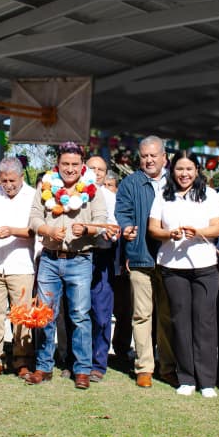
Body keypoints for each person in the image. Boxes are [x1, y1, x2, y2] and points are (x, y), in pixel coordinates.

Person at [25, 142, 109, 389]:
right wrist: (48, 229)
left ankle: (82, 369)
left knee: (80, 316)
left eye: (74, 164)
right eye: (65, 164)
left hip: (80, 260)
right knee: (45, 316)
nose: (70, 169)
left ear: (82, 165)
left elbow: (102, 222)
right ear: (57, 164)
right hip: (50, 259)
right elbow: (33, 218)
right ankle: (43, 367)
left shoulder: (93, 189)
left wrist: (87, 229)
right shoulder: (46, 184)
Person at [149, 151, 219, 398]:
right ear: (172, 170)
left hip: (204, 267)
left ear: (197, 170)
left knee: (204, 323)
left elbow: (217, 227)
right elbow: (153, 228)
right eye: (180, 169)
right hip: (173, 268)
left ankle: (207, 381)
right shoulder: (163, 196)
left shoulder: (210, 195)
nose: (184, 174)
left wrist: (198, 231)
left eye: (189, 169)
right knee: (180, 323)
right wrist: (169, 234)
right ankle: (186, 378)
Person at [116, 136, 176, 388]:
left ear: (165, 157)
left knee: (167, 315)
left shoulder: (177, 181)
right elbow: (123, 213)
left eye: (154, 155)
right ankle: (144, 367)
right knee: (141, 315)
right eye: (144, 156)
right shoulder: (130, 183)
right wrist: (127, 228)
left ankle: (169, 366)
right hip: (140, 257)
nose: (149, 160)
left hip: (171, 258)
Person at [0, 156, 37, 379]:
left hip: (21, 264)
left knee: (21, 316)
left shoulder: (33, 195)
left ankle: (22, 359)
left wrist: (12, 230)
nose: (8, 185)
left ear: (21, 177)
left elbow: (35, 230)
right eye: (4, 181)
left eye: (12, 180)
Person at [85, 154, 118, 382]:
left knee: (101, 313)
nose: (96, 173)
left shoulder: (109, 196)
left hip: (102, 256)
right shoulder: (74, 193)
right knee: (78, 312)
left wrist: (111, 232)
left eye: (100, 170)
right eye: (92, 168)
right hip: (78, 255)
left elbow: (116, 226)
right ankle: (78, 361)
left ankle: (99, 363)